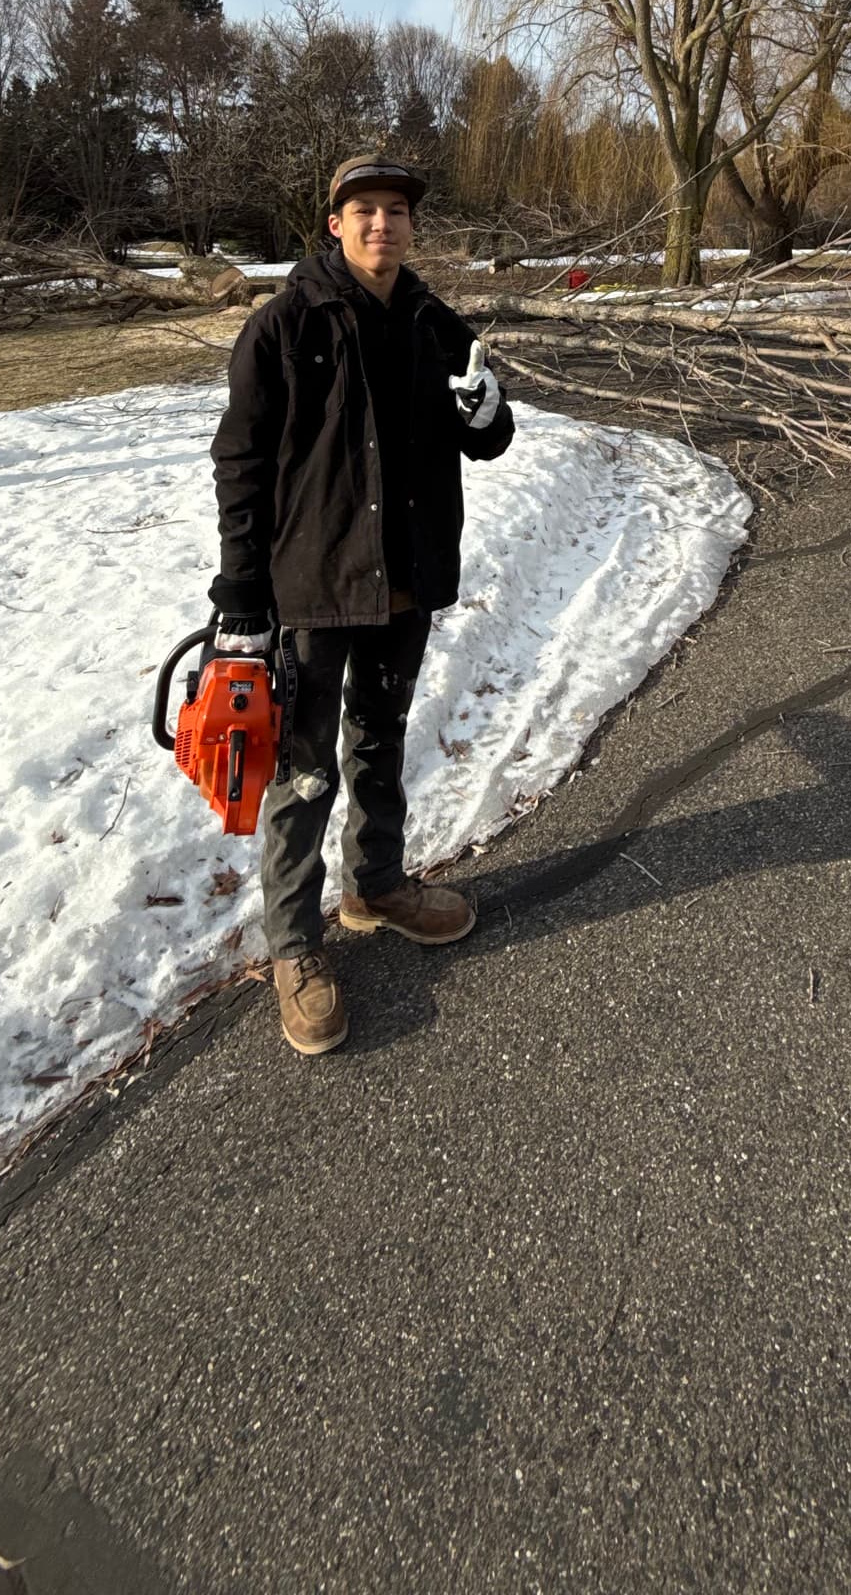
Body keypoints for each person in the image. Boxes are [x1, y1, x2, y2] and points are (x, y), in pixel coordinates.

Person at [209, 152, 515, 1054]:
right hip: (316, 580)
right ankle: (295, 947)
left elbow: (490, 437)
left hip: (407, 576)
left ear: (411, 226)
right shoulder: (284, 325)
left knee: (380, 737)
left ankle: (375, 886)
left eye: (396, 211)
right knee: (304, 770)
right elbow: (241, 465)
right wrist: (240, 593)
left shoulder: (433, 321)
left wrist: (486, 410)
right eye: (364, 210)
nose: (382, 224)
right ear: (334, 223)